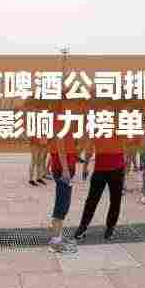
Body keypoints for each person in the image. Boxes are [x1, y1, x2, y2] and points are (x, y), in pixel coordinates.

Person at [74, 113, 126, 241]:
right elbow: (89, 148)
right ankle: (84, 227)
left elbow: (127, 145)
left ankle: (109, 228)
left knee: (112, 200)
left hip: (115, 169)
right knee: (94, 200)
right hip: (102, 169)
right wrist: (85, 166)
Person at [48, 99, 79, 253]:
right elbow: (60, 146)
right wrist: (66, 169)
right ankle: (55, 242)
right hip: (62, 169)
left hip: (64, 167)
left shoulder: (63, 118)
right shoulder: (60, 119)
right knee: (62, 204)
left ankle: (58, 236)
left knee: (63, 203)